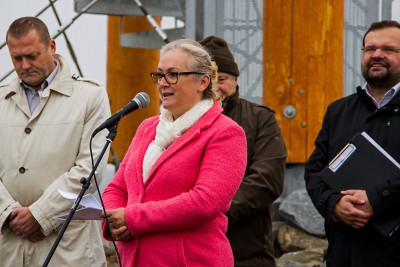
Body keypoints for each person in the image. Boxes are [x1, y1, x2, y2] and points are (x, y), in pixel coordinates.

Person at [100, 39, 247, 266]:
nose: (162, 83)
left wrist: (133, 218)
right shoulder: (147, 128)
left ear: (202, 82)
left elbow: (205, 202)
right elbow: (117, 187)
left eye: (173, 74)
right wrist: (112, 219)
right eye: (159, 75)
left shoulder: (226, 133)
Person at [0, 17, 111, 266]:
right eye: (16, 59)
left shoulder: (90, 97)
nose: (25, 65)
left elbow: (89, 172)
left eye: (32, 56)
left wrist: (40, 216)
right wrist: (7, 212)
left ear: (51, 46)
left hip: (69, 248)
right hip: (9, 249)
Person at [305, 20, 400, 267]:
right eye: (370, 49)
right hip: (344, 254)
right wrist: (333, 204)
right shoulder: (338, 111)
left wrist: (377, 199)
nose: (377, 55)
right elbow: (314, 172)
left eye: (389, 49)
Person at [199, 36, 287, 266]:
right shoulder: (175, 124)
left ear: (236, 79)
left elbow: (267, 179)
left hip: (247, 253)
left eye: (223, 79)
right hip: (192, 251)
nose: (215, 87)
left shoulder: (260, 119)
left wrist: (211, 212)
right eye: (207, 79)